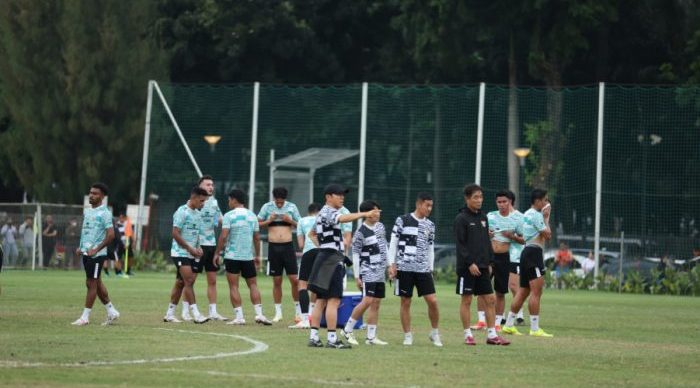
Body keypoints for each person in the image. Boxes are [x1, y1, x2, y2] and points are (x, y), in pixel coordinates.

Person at [307, 184, 379, 349]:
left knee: (321, 300)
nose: (342, 197)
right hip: (331, 259)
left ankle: (314, 337)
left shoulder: (321, 214)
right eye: (338, 195)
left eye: (342, 195)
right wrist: (364, 214)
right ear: (328, 197)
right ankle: (332, 339)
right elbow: (342, 219)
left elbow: (312, 233)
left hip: (324, 257)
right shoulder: (329, 212)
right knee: (333, 300)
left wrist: (324, 247)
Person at [455, 184, 510, 346]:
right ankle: (467, 335)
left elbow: (487, 242)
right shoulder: (461, 219)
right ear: (467, 199)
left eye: (481, 197)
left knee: (490, 299)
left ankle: (492, 335)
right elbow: (461, 245)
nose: (479, 200)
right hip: (467, 268)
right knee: (467, 301)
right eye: (475, 197)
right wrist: (470, 263)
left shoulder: (483, 218)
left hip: (484, 266)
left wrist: (490, 262)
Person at [388, 192, 442, 347]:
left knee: (433, 301)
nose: (430, 208)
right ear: (419, 204)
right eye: (427, 205)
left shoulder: (430, 225)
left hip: (423, 269)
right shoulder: (402, 220)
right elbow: (393, 242)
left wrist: (431, 268)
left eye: (431, 206)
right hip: (404, 268)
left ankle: (435, 332)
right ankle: (407, 335)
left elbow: (430, 247)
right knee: (405, 301)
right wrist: (391, 264)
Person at [213, 189, 272, 325]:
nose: (228, 202)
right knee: (253, 285)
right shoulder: (252, 216)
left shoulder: (229, 215)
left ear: (234, 200)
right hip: (248, 257)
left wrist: (217, 253)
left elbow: (223, 236)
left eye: (229, 200)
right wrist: (257, 255)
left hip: (232, 256)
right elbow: (256, 238)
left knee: (234, 286)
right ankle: (259, 315)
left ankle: (239, 317)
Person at [502, 188, 553, 337]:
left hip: (525, 253)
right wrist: (546, 218)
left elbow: (525, 237)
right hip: (533, 253)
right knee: (537, 291)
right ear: (538, 201)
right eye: (545, 200)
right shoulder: (536, 215)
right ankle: (535, 328)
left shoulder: (526, 214)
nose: (546, 203)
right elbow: (548, 235)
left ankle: (509, 325)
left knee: (523, 291)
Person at [71, 183, 121, 326]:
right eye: (91, 193)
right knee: (96, 283)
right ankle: (112, 312)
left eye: (95, 193)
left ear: (102, 197)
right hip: (86, 252)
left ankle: (85, 317)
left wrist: (97, 249)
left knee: (91, 283)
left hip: (97, 255)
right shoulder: (87, 211)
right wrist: (80, 247)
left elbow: (111, 235)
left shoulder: (105, 213)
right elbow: (85, 231)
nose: (91, 195)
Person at [341, 200, 389, 346]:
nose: (378, 214)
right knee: (367, 300)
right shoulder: (360, 233)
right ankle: (347, 329)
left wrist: (389, 265)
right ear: (367, 214)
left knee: (376, 303)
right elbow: (355, 255)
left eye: (379, 211)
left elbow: (384, 246)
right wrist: (357, 276)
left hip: (381, 271)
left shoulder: (380, 227)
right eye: (375, 211)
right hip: (368, 270)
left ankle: (371, 337)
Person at [162, 186, 210, 324]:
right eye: (201, 201)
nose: (203, 204)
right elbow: (175, 233)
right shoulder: (182, 212)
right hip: (179, 252)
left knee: (181, 282)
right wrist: (190, 248)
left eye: (204, 201)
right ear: (193, 198)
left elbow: (196, 235)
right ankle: (196, 314)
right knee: (189, 280)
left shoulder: (198, 214)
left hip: (191, 252)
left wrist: (198, 247)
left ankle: (169, 314)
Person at [257, 186, 302, 323]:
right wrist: (268, 221)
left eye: (282, 202)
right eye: (278, 202)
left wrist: (291, 221)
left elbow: (301, 224)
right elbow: (257, 223)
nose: (279, 204)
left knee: (294, 280)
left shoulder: (292, 207)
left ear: (285, 199)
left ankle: (298, 312)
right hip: (273, 247)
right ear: (274, 198)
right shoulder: (267, 207)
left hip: (288, 246)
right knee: (277, 281)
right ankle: (278, 313)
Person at [186, 175, 226, 321]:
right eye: (208, 184)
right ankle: (186, 311)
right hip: (197, 245)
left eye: (212, 185)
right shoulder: (192, 203)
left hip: (211, 245)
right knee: (190, 279)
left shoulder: (214, 203)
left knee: (213, 280)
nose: (211, 187)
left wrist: (234, 220)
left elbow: (220, 220)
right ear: (200, 186)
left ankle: (213, 312)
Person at [291, 203, 321, 329]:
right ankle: (314, 316)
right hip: (322, 253)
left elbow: (301, 244)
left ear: (308, 211)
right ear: (318, 211)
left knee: (302, 285)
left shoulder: (301, 221)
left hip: (308, 252)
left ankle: (304, 319)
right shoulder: (322, 220)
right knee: (318, 285)